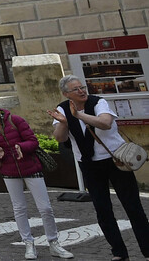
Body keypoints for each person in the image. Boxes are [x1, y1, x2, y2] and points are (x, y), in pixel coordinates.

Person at [48, 77, 147, 261]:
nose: (81, 91)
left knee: (133, 207)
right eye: (75, 89)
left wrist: (79, 115)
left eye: (82, 87)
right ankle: (119, 252)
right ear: (66, 94)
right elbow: (60, 138)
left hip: (115, 160)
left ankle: (147, 249)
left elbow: (105, 123)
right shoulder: (62, 108)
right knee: (103, 210)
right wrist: (63, 122)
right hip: (89, 164)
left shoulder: (98, 102)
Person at [0, 96, 74, 260]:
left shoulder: (15, 120)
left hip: (30, 167)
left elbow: (33, 141)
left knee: (45, 208)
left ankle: (54, 243)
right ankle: (28, 243)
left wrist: (21, 146)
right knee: (19, 208)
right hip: (9, 170)